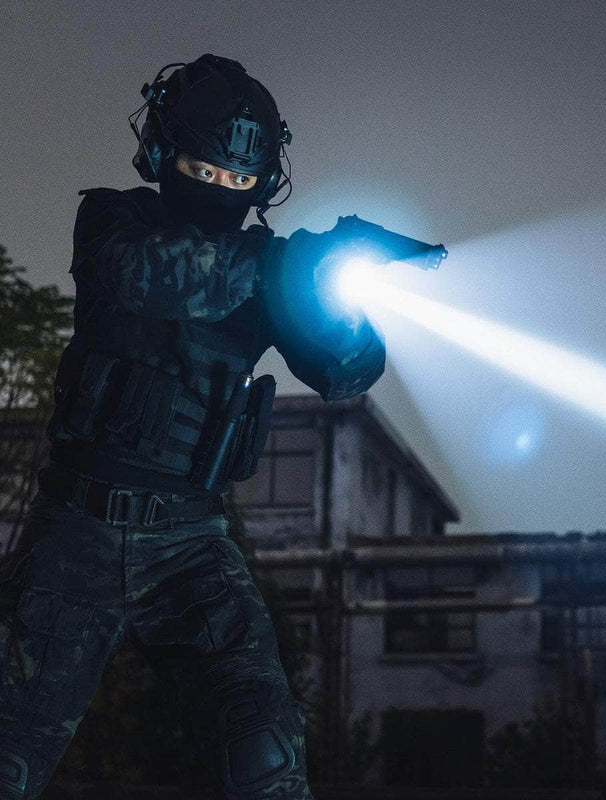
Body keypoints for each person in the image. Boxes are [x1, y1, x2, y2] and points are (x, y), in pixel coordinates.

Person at [0, 53, 385, 800]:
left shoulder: (273, 272)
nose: (220, 189)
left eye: (238, 180)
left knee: (267, 755)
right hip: (75, 536)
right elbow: (145, 276)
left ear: (263, 183)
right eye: (204, 171)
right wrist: (282, 262)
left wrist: (332, 301)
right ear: (161, 155)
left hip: (192, 547)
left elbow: (346, 374)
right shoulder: (113, 222)